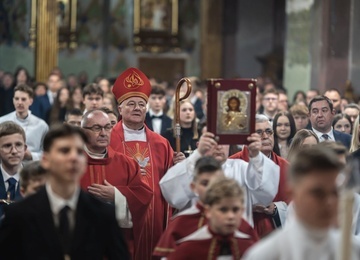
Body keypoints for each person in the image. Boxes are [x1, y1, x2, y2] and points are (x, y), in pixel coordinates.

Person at [0, 124, 130, 259]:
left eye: (79, 152)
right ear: (45, 160)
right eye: (65, 151)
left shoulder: (103, 213)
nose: (73, 157)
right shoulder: (19, 213)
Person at [110, 67, 181, 260]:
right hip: (120, 218)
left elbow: (170, 184)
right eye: (131, 104)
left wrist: (179, 168)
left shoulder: (161, 143)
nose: (137, 108)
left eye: (141, 104)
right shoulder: (108, 140)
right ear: (120, 108)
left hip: (154, 219)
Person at [244, 145, 360, 259]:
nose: (329, 202)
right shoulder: (265, 255)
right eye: (318, 193)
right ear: (292, 193)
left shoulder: (352, 250)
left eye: (335, 192)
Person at [160, 129, 280, 226]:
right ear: (199, 145)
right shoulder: (191, 168)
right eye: (212, 142)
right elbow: (172, 195)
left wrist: (256, 157)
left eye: (223, 141)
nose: (218, 147)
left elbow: (265, 195)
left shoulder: (241, 168)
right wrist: (197, 154)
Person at [80, 109, 152, 259]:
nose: (103, 133)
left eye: (108, 127)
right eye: (96, 128)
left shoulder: (127, 164)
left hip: (117, 244)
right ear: (82, 131)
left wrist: (117, 195)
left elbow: (144, 197)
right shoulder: (72, 164)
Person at [154, 157, 258, 258]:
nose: (211, 188)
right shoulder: (180, 224)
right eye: (205, 183)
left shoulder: (242, 226)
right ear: (193, 187)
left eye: (217, 182)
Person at [229, 114, 290, 237]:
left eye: (268, 131)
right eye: (259, 132)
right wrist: (247, 205)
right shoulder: (232, 164)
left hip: (276, 235)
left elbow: (295, 204)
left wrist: (276, 208)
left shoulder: (286, 167)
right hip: (241, 233)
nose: (265, 136)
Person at [167, 178, 257, 259]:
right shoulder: (188, 249)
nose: (230, 216)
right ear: (208, 211)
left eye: (235, 210)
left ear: (242, 210)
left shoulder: (251, 247)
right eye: (223, 210)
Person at [0, 84, 48, 161]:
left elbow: (47, 152)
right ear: (13, 100)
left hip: (32, 168)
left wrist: (31, 155)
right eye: (16, 99)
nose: (19, 102)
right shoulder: (2, 121)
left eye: (23, 99)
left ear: (31, 101)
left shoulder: (41, 125)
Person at [0, 122, 27, 217]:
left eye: (18, 145)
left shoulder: (36, 181)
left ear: (25, 148)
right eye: (7, 146)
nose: (14, 151)